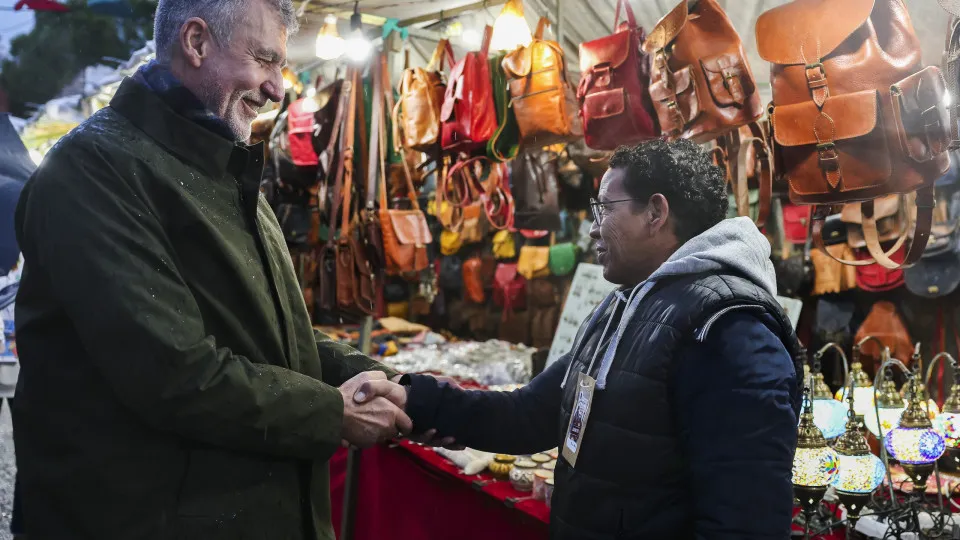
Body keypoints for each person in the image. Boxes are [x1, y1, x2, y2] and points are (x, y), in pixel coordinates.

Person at [12, 1, 414, 538]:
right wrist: (332, 413)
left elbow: (274, 333)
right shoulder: (93, 171)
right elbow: (172, 373)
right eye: (264, 60)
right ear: (196, 42)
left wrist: (383, 380)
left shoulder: (223, 167)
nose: (278, 88)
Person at [395, 139, 804, 539]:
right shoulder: (625, 305)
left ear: (655, 212)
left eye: (605, 209)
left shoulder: (728, 327)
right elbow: (529, 415)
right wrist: (416, 400)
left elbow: (745, 521)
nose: (592, 229)